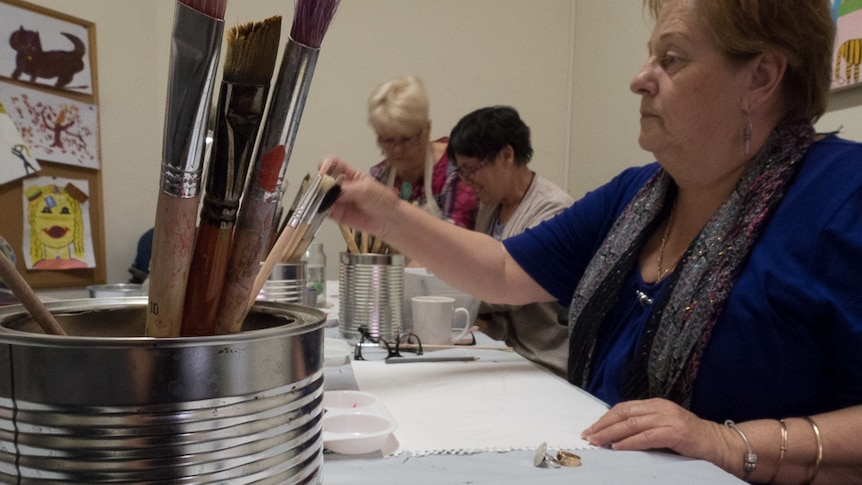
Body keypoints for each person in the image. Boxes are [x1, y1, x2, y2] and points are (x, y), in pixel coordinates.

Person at [323, 0, 862, 482]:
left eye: (670, 60)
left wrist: (728, 442)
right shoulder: (636, 195)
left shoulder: (843, 196)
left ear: (760, 78)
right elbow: (505, 270)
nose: (639, 79)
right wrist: (385, 213)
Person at [447, 106, 573, 377]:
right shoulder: (490, 207)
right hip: (499, 352)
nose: (467, 183)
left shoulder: (552, 210)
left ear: (506, 155)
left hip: (541, 361)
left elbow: (507, 290)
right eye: (462, 172)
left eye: (472, 170)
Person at [367, 75, 477, 229]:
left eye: (407, 139)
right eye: (388, 140)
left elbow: (457, 243)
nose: (398, 149)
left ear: (427, 130)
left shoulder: (455, 172)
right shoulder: (380, 177)